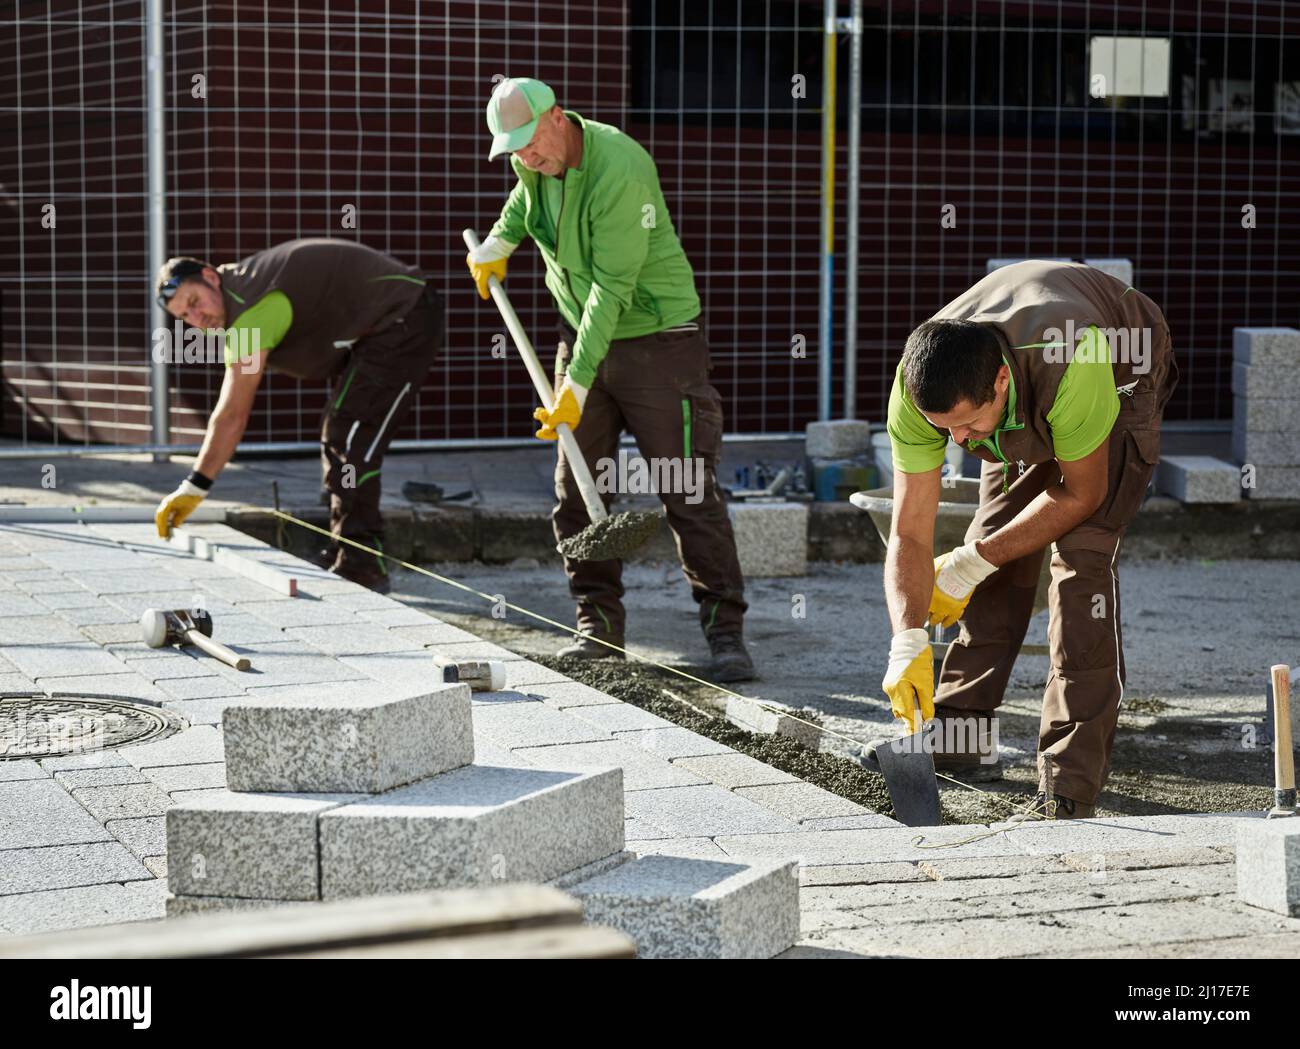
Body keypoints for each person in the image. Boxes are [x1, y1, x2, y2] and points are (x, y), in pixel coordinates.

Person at [467, 77, 753, 681]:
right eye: (511, 149)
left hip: (658, 340)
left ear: (557, 119)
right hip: (585, 337)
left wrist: (573, 384)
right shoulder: (534, 163)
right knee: (577, 489)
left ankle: (725, 632)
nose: (523, 158)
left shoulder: (619, 169)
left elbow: (611, 290)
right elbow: (525, 201)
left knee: (686, 489)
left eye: (528, 143)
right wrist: (500, 241)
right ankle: (597, 626)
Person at [881, 260, 1178, 819]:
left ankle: (1069, 779)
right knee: (993, 541)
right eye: (944, 431)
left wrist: (969, 564)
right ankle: (959, 738)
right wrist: (907, 643)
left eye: (966, 427)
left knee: (1082, 561)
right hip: (1025, 387)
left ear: (998, 382)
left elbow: (1080, 494)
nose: (958, 442)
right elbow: (909, 532)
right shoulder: (919, 391)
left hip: (1118, 364)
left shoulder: (1079, 361)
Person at [152, 238, 443, 592]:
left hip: (402, 314)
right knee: (339, 435)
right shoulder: (238, 290)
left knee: (349, 438)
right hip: (371, 327)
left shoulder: (252, 311)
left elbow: (231, 416)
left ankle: (363, 564)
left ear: (211, 277)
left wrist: (193, 488)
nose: (197, 319)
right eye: (185, 316)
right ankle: (345, 551)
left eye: (195, 302)